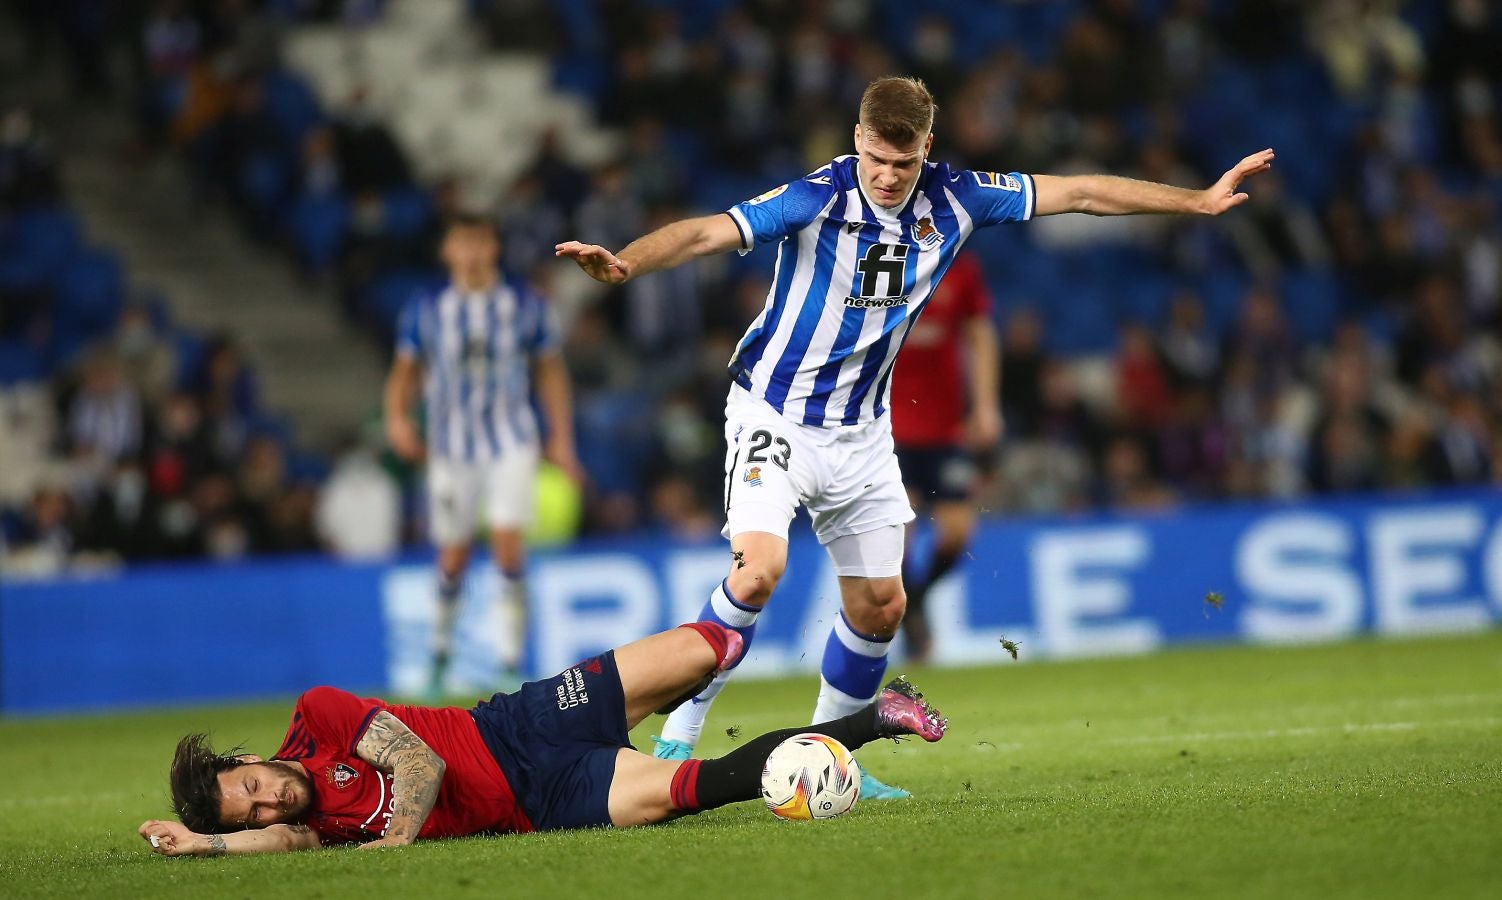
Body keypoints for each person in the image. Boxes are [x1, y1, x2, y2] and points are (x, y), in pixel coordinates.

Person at [556, 75, 1273, 799]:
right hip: (775, 413)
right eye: (876, 159)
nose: (888, 177)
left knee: (882, 606)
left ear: (926, 148)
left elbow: (1082, 191)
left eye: (904, 164)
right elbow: (709, 230)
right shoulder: (818, 196)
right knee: (759, 570)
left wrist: (1199, 201)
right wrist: (628, 262)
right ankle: (681, 728)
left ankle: (832, 757)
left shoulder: (959, 196)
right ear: (858, 141)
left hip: (863, 433)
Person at [137, 622, 947, 855]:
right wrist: (200, 846)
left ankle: (687, 709)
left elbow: (415, 762)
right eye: (250, 817)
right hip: (543, 802)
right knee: (701, 787)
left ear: (248, 761)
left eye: (249, 791)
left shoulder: (318, 716)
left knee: (711, 646)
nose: (266, 804)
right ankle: (873, 719)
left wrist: (396, 842)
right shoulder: (306, 829)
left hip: (522, 722)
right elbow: (284, 849)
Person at [385, 213, 582, 695]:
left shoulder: (525, 304)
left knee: (508, 545)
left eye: (480, 242)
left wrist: (560, 437)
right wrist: (397, 419)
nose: (471, 252)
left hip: (511, 441)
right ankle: (439, 655)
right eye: (462, 242)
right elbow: (404, 372)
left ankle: (510, 661)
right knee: (452, 555)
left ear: (493, 247)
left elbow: (551, 373)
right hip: (450, 449)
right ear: (447, 250)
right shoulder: (427, 308)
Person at [888, 250, 1000, 665]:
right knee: (897, 538)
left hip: (946, 427)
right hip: (887, 428)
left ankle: (915, 599)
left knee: (957, 535)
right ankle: (911, 620)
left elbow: (980, 335)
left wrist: (986, 406)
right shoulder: (875, 263)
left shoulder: (960, 267)